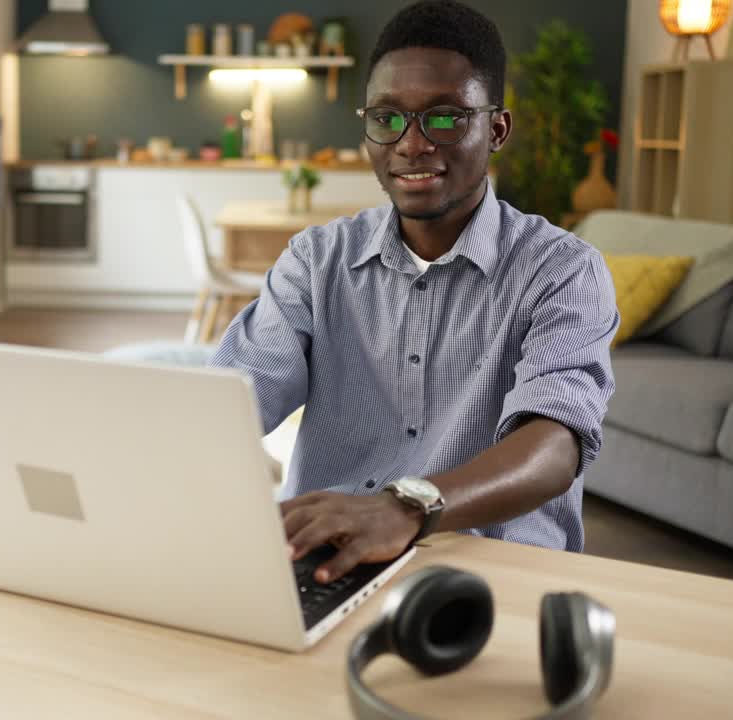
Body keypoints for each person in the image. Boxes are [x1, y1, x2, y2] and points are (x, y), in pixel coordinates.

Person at [209, 0, 619, 585]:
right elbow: (232, 395)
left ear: (496, 129)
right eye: (387, 118)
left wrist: (408, 507)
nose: (411, 144)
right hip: (325, 560)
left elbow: (554, 443)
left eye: (446, 118)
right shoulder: (317, 260)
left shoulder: (562, 271)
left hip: (489, 569)